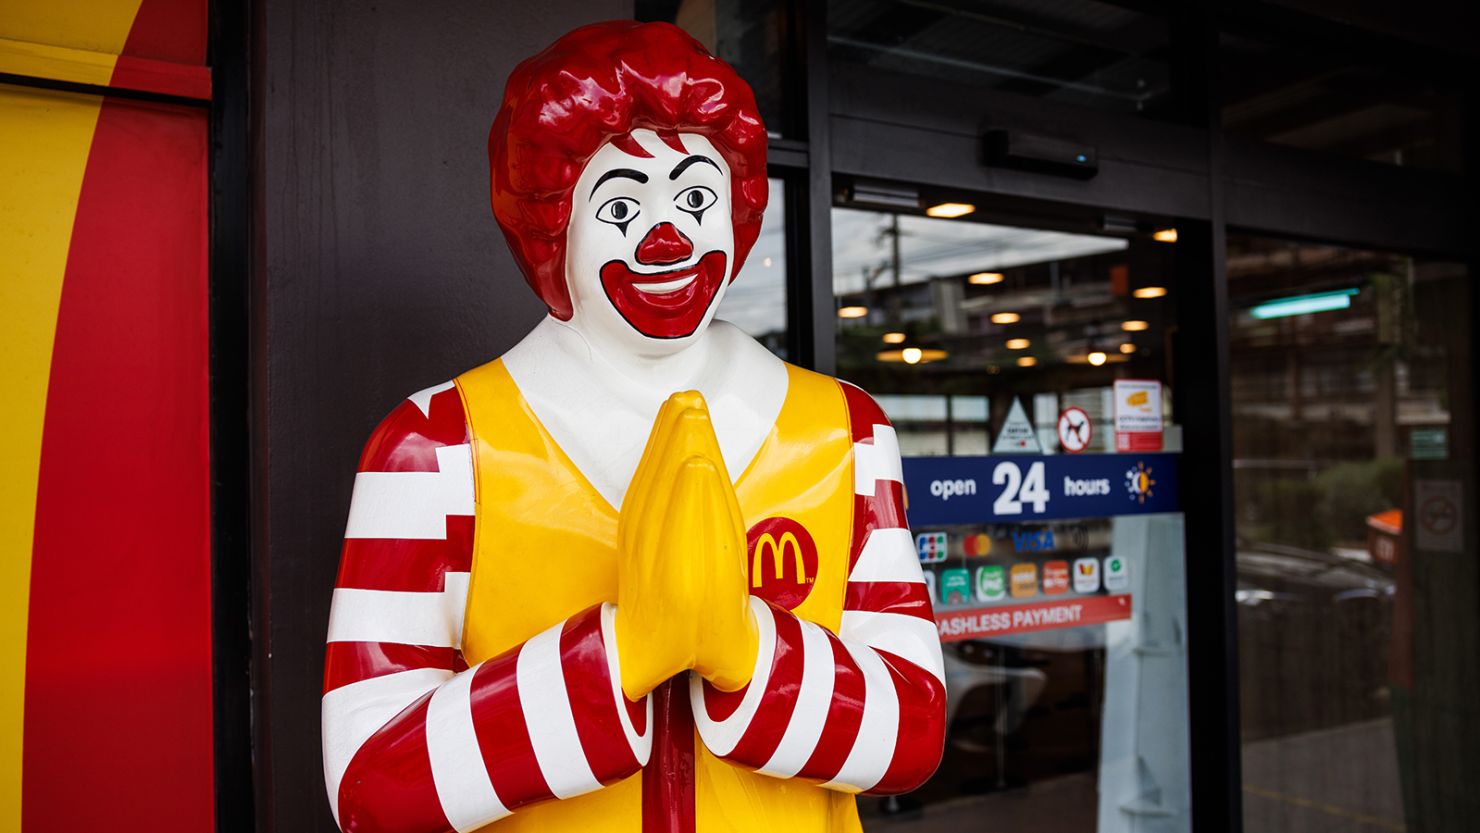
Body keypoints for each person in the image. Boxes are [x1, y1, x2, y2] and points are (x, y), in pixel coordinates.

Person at [321, 20, 944, 833]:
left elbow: (917, 727)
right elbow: (369, 781)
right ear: (553, 228)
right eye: (620, 204)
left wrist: (751, 653)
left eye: (696, 197)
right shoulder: (436, 447)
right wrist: (617, 657)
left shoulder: (846, 434)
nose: (668, 236)